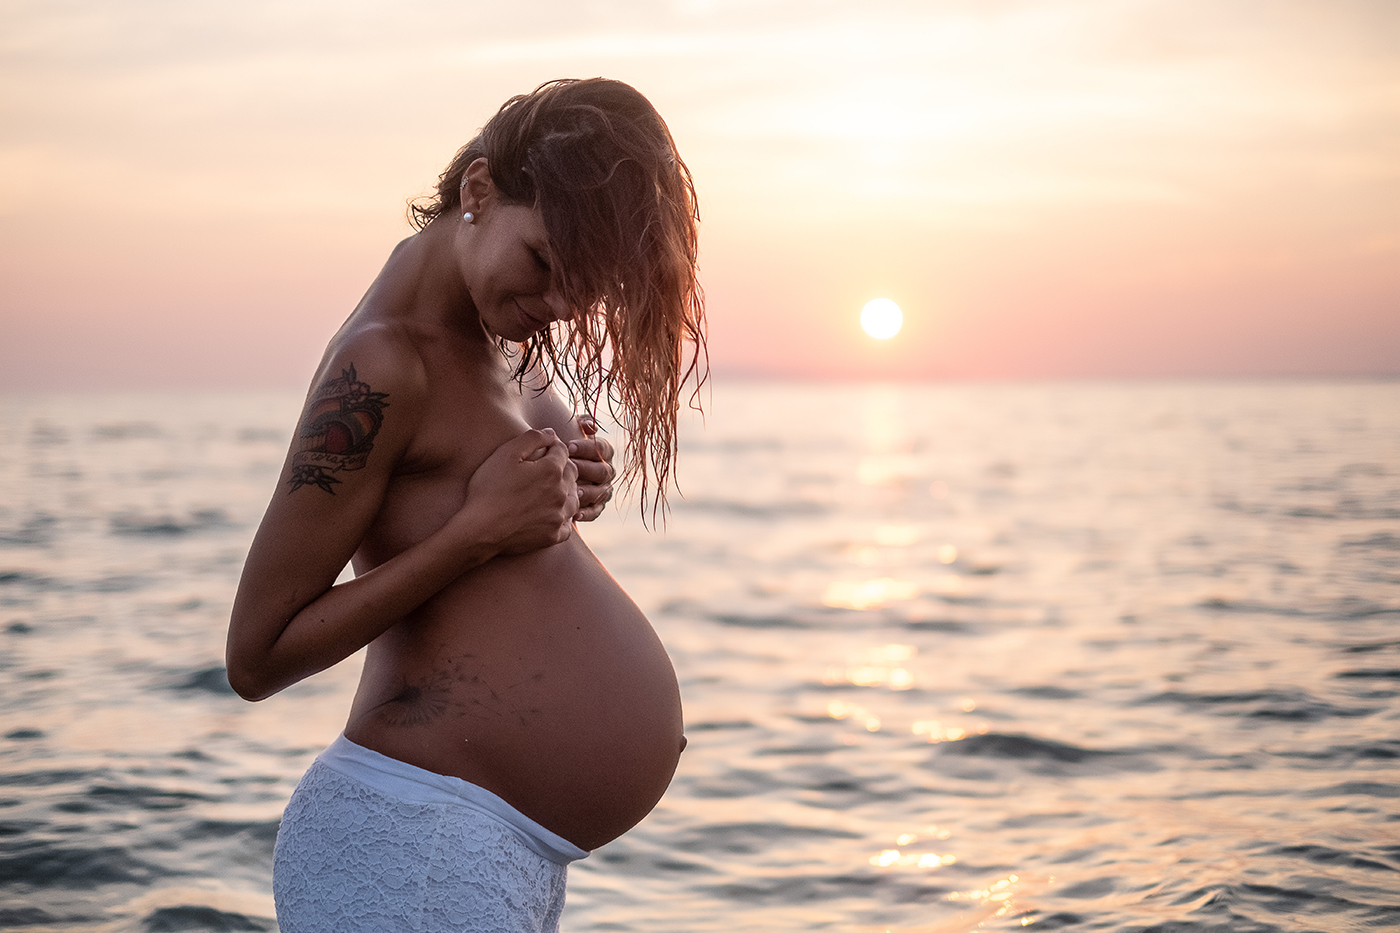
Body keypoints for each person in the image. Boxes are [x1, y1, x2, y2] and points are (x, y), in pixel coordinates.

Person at [225, 78, 705, 933]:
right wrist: (474, 536)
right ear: (479, 190)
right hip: (409, 845)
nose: (556, 306)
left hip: (475, 853)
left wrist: (576, 479)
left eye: (581, 290)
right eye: (545, 264)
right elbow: (256, 656)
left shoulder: (499, 336)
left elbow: (503, 502)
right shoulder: (380, 366)